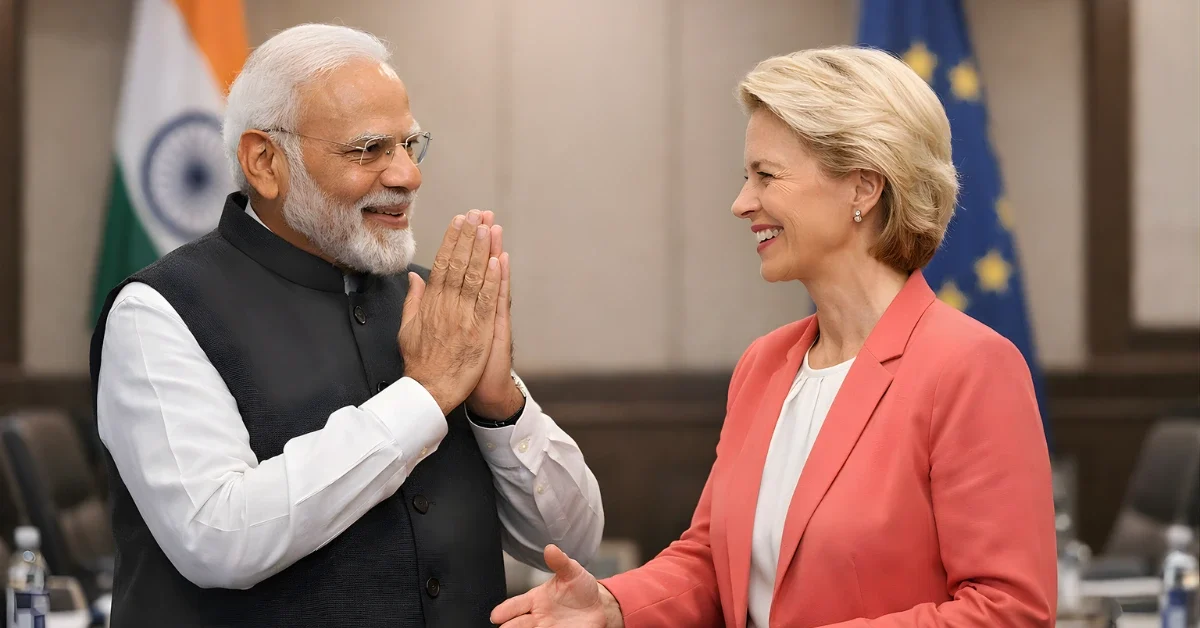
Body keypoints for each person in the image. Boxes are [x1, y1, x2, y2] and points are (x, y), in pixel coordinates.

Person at [491, 46, 1056, 628]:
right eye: (746, 177)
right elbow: (712, 561)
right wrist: (613, 606)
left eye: (767, 175)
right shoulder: (765, 364)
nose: (741, 204)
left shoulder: (970, 367)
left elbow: (1007, 611)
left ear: (863, 187)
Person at [90, 24, 604, 628]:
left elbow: (572, 541)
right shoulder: (158, 310)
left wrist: (500, 408)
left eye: (411, 145)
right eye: (370, 150)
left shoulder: (426, 298)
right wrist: (424, 396)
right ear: (264, 161)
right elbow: (219, 537)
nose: (408, 176)